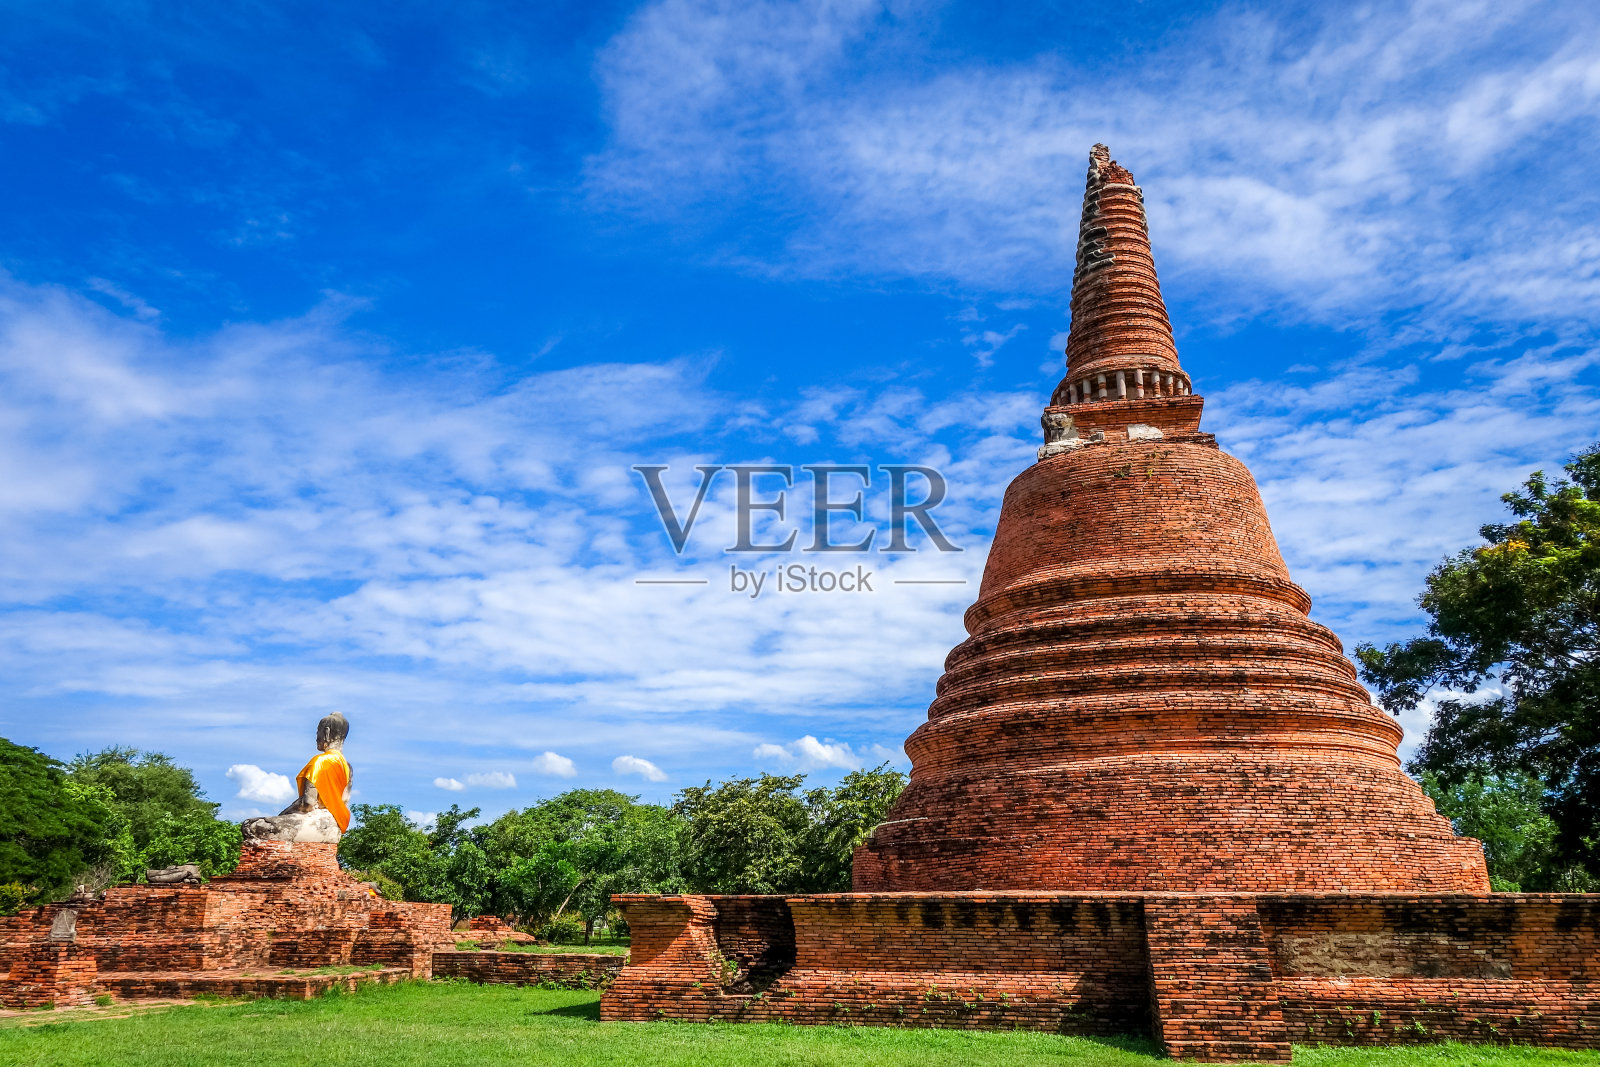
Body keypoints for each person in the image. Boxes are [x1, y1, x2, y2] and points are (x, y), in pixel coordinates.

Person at [279, 712, 352, 833]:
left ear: (326, 732)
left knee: (253, 826)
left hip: (315, 822)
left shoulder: (320, 761)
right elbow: (344, 801)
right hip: (336, 823)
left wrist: (283, 814)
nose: (316, 737)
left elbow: (308, 803)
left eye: (318, 731)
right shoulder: (347, 767)